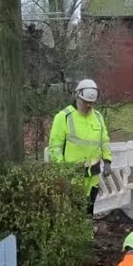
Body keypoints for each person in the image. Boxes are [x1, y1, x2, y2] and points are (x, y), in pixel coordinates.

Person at [46, 79, 112, 215]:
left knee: (88, 211)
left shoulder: (98, 117)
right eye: (85, 102)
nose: (88, 105)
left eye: (91, 103)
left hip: (92, 175)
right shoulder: (63, 117)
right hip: (72, 176)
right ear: (77, 97)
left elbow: (104, 141)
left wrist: (107, 161)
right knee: (73, 213)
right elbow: (55, 147)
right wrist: (62, 170)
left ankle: (87, 234)